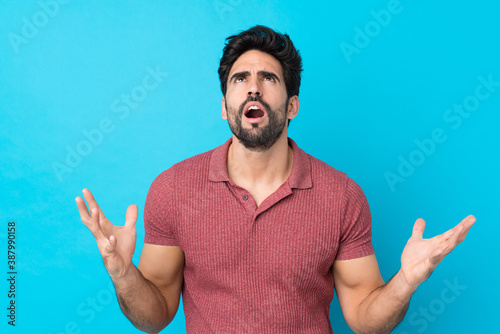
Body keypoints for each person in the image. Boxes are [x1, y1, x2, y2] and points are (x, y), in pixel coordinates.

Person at [75, 25, 476, 333]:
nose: (252, 87)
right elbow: (155, 316)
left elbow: (364, 320)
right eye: (239, 79)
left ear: (292, 106)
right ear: (224, 107)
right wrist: (124, 275)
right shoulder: (173, 189)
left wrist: (405, 282)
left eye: (268, 78)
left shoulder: (342, 196)